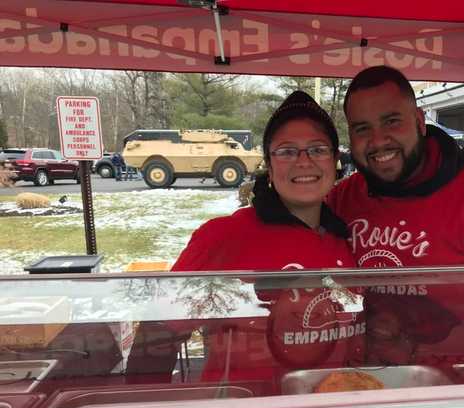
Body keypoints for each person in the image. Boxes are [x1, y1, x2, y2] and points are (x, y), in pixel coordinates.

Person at [127, 91, 363, 385]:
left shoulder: (344, 239)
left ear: (334, 161)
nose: (304, 161)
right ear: (269, 164)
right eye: (287, 151)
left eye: (317, 149)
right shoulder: (224, 237)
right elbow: (158, 335)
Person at [327, 66, 464, 369]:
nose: (378, 141)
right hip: (372, 370)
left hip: (463, 375)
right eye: (362, 128)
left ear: (420, 122)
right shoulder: (344, 198)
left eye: (391, 121)